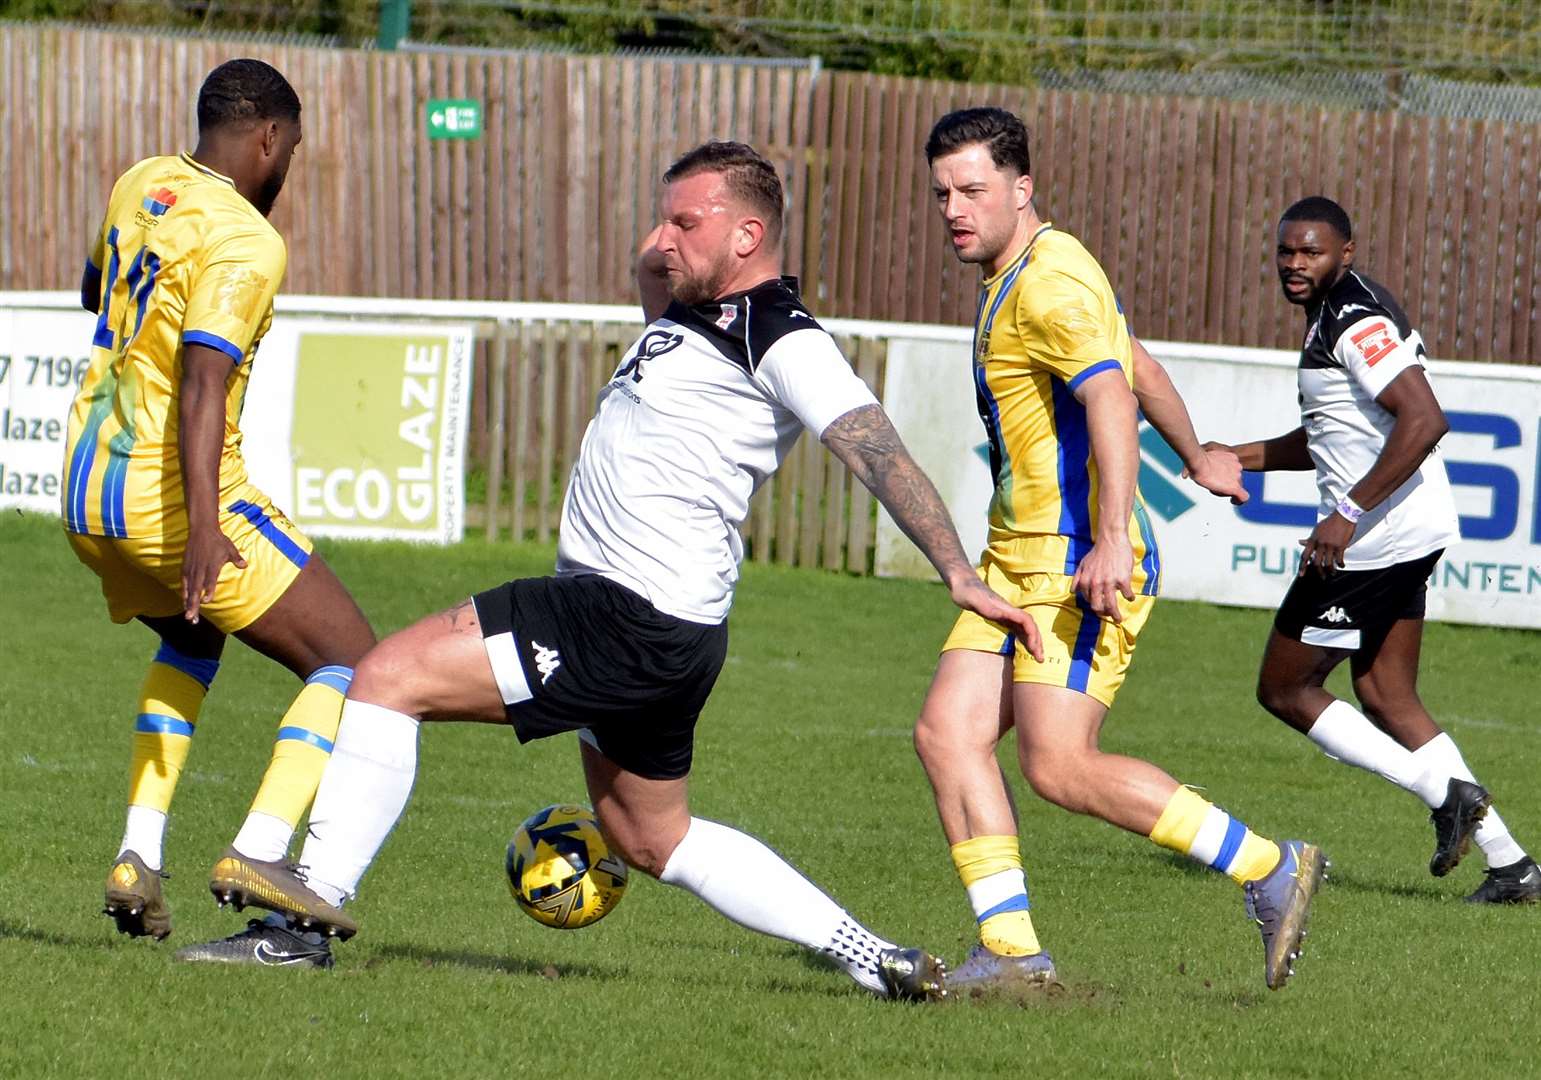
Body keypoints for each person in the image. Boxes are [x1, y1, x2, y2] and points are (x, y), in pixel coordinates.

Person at [190, 140, 1051, 1000]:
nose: (661, 237)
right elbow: (656, 263)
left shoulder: (780, 337)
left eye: (685, 221)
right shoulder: (687, 314)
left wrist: (956, 572)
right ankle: (877, 960)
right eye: (661, 218)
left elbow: (875, 449)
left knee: (384, 677)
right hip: (668, 632)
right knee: (653, 840)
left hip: (621, 613)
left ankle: (303, 922)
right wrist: (675, 239)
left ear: (749, 236)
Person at [912, 106, 1327, 994]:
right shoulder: (1031, 266)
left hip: (1072, 561)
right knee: (948, 734)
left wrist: (1107, 540)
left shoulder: (1049, 283)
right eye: (942, 191)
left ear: (1021, 189)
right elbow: (1133, 360)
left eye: (972, 190)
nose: (953, 207)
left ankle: (1266, 866)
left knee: (1059, 765)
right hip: (1013, 562)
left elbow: (1110, 401)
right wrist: (1200, 454)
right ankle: (1015, 956)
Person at [62, 58, 376, 964]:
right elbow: (204, 387)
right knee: (357, 662)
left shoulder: (142, 182)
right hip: (173, 502)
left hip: (87, 491)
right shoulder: (247, 239)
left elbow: (96, 292)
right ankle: (262, 852)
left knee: (192, 642)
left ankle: (137, 856)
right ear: (269, 138)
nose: (289, 171)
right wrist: (206, 529)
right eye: (294, 151)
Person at [1203, 196, 1539, 904]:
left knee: (1284, 687)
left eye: (1312, 252)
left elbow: (1424, 418)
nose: (1295, 264)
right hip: (1405, 529)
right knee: (1386, 693)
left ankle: (1443, 793)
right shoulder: (1337, 313)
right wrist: (1241, 455)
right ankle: (1511, 866)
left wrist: (1346, 514)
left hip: (1375, 537)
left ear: (1344, 254)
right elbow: (1331, 434)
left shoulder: (1352, 319)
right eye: (1286, 252)